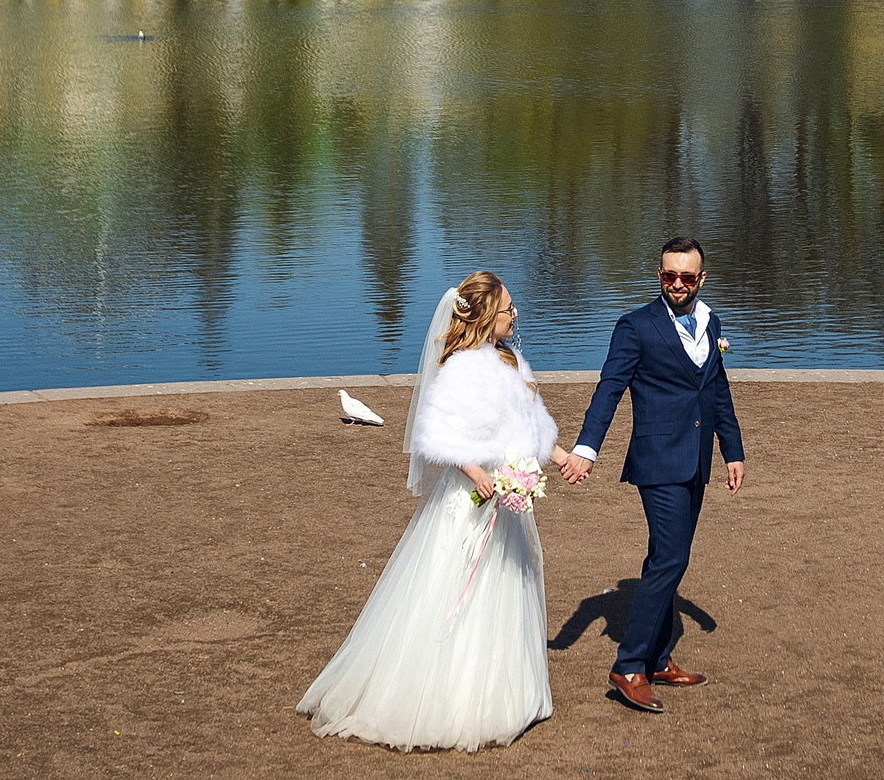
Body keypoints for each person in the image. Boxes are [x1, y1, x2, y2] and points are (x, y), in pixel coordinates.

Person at [298, 271, 574, 751]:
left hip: (506, 504)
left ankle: (506, 693)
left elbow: (528, 424)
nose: (516, 315)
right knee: (452, 592)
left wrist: (560, 455)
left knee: (508, 586)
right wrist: (478, 473)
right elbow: (442, 437)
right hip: (470, 502)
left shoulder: (511, 361)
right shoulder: (460, 369)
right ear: (487, 317)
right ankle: (444, 699)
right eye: (509, 309)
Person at [562, 237, 745, 714]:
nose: (677, 284)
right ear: (659, 275)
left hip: (698, 459)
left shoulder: (710, 323)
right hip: (657, 461)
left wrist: (733, 450)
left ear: (701, 278)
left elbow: (717, 390)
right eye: (669, 275)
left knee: (669, 559)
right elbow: (610, 390)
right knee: (669, 559)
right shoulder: (636, 327)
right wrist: (586, 448)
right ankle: (629, 665)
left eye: (687, 276)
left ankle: (660, 659)